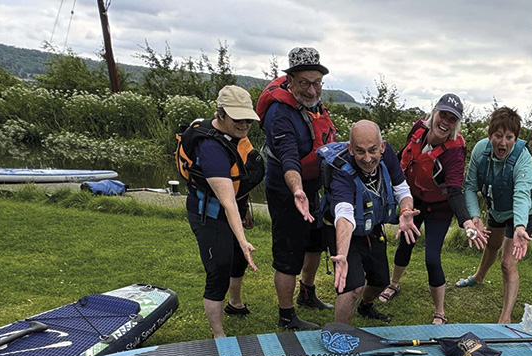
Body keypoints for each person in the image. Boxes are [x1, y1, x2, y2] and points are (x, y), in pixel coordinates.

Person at [378, 94, 486, 325]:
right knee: (405, 243)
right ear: (433, 113)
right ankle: (393, 284)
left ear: (457, 124)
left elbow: (455, 189)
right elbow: (402, 160)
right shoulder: (418, 128)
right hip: (414, 201)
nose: (445, 122)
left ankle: (440, 311)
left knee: (432, 258)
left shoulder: (455, 151)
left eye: (452, 119)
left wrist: (466, 221)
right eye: (443, 114)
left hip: (440, 207)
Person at [256, 47, 338, 331]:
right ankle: (287, 314)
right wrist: (297, 190)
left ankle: (307, 292)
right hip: (286, 191)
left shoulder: (312, 105)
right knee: (289, 254)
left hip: (311, 188)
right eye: (305, 83)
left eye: (317, 83)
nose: (312, 89)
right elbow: (289, 158)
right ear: (290, 80)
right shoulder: (280, 113)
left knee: (315, 242)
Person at [177, 85, 264, 338]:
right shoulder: (212, 149)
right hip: (210, 214)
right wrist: (243, 240)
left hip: (232, 210)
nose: (244, 124)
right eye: (238, 119)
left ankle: (235, 304)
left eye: (248, 118)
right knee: (219, 269)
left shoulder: (234, 135)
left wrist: (245, 209)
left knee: (237, 261)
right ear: (221, 114)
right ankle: (218, 334)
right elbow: (227, 201)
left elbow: (241, 177)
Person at [329, 120, 420, 324]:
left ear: (382, 146)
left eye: (372, 150)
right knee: (352, 287)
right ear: (350, 148)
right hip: (345, 231)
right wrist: (342, 254)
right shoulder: (340, 168)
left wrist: (406, 209)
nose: (368, 158)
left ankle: (366, 306)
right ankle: (337, 333)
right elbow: (343, 213)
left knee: (380, 281)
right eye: (360, 151)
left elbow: (402, 188)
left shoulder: (387, 155)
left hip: (372, 225)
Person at [457, 107, 532, 323]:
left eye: (509, 137)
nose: (503, 143)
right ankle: (479, 277)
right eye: (498, 136)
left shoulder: (522, 157)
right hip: (497, 206)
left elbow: (522, 194)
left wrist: (520, 226)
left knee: (507, 263)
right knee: (491, 244)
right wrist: (474, 216)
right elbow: (470, 186)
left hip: (522, 212)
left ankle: (505, 316)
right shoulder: (479, 151)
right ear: (490, 135)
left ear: (516, 138)